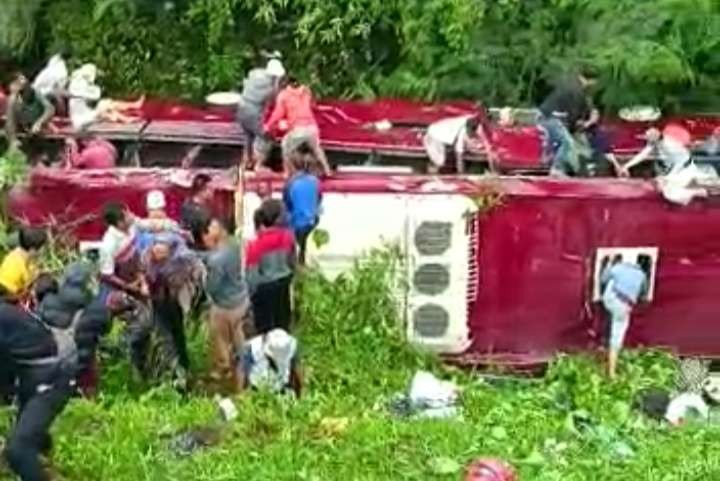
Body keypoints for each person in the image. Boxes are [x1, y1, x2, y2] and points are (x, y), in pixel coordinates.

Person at [0, 267, 111, 481]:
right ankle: (46, 467)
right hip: (34, 373)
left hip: (54, 376)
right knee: (31, 440)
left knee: (19, 450)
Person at [97, 202, 153, 377]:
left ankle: (143, 365)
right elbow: (106, 275)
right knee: (139, 325)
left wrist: (142, 280)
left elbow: (137, 256)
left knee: (147, 325)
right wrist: (129, 286)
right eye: (127, 214)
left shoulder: (132, 229)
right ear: (119, 223)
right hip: (122, 291)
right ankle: (123, 359)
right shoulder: (108, 245)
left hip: (137, 283)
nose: (131, 215)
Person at [200, 217, 253, 393]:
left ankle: (224, 374)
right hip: (241, 300)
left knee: (221, 342)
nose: (209, 229)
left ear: (222, 230)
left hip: (224, 307)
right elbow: (211, 256)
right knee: (241, 344)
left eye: (212, 226)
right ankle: (244, 377)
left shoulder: (217, 260)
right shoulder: (234, 245)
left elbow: (212, 287)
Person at [144, 233, 203, 386]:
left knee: (177, 337)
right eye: (156, 251)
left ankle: (181, 371)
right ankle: (172, 372)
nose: (158, 254)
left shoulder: (181, 262)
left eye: (162, 251)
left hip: (174, 304)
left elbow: (196, 277)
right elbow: (146, 276)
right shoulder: (149, 260)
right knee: (165, 338)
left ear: (171, 250)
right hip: (158, 304)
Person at [245, 199, 296, 334]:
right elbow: (292, 263)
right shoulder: (288, 237)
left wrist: (250, 296)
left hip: (264, 288)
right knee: (282, 322)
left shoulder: (255, 244)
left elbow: (252, 276)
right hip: (283, 284)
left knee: (264, 327)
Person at [263, 76, 331, 175]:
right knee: (316, 148)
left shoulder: (284, 95)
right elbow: (311, 106)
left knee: (285, 144)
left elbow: (277, 114)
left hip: (299, 129)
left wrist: (268, 126)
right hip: (312, 128)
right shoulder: (306, 92)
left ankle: (287, 172)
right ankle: (327, 170)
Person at [538, 67, 599, 177]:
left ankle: (550, 160)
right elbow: (573, 115)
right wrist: (584, 124)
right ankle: (557, 169)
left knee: (563, 141)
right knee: (567, 142)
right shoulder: (577, 91)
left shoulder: (572, 85)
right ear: (592, 81)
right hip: (552, 117)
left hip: (548, 115)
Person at [599, 256, 648, 379]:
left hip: (609, 300)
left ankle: (606, 354)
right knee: (616, 338)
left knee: (611, 280)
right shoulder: (642, 275)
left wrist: (609, 264)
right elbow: (643, 294)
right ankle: (611, 373)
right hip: (623, 307)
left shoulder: (618, 268)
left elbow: (603, 279)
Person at [236, 58, 286, 170]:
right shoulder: (270, 88)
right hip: (253, 113)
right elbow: (275, 99)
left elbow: (247, 78)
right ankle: (258, 166)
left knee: (249, 135)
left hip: (241, 109)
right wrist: (276, 83)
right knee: (266, 137)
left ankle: (245, 162)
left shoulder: (254, 73)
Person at [68, 64, 144, 131]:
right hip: (82, 119)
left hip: (83, 116)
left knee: (106, 110)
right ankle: (133, 106)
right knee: (105, 104)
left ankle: (127, 118)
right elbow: (95, 96)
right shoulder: (80, 85)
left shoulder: (77, 82)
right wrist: (97, 88)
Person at [283, 148, 321, 265]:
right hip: (313, 220)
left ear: (291, 166)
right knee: (303, 247)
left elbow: (287, 204)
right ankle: (302, 261)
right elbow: (319, 198)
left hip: (297, 223)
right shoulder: (315, 180)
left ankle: (293, 264)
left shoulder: (290, 183)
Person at [238, 328, 302, 397]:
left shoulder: (287, 346)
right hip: (258, 388)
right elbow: (242, 385)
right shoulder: (249, 352)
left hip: (279, 386)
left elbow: (296, 373)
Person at [620, 124, 693, 178]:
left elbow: (679, 163)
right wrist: (626, 166)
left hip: (683, 166)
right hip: (668, 165)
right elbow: (642, 155)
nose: (647, 140)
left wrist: (669, 177)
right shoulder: (655, 142)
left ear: (655, 138)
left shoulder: (669, 146)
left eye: (648, 138)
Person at [4, 73, 54, 147]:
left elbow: (50, 109)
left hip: (38, 123)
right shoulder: (13, 99)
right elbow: (10, 121)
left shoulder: (36, 92)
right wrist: (13, 140)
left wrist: (39, 122)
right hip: (22, 125)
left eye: (23, 79)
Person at [0, 226, 48, 304]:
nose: (44, 249)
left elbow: (31, 272)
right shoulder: (13, 269)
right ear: (32, 250)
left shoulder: (24, 255)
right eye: (42, 247)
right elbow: (9, 297)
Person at [32, 47, 70, 113]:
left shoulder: (48, 69)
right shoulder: (62, 72)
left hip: (35, 92)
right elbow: (58, 91)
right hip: (44, 95)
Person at [181, 173, 214, 247]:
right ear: (202, 190)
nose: (213, 191)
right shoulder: (195, 210)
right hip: (198, 248)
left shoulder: (189, 204)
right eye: (210, 189)